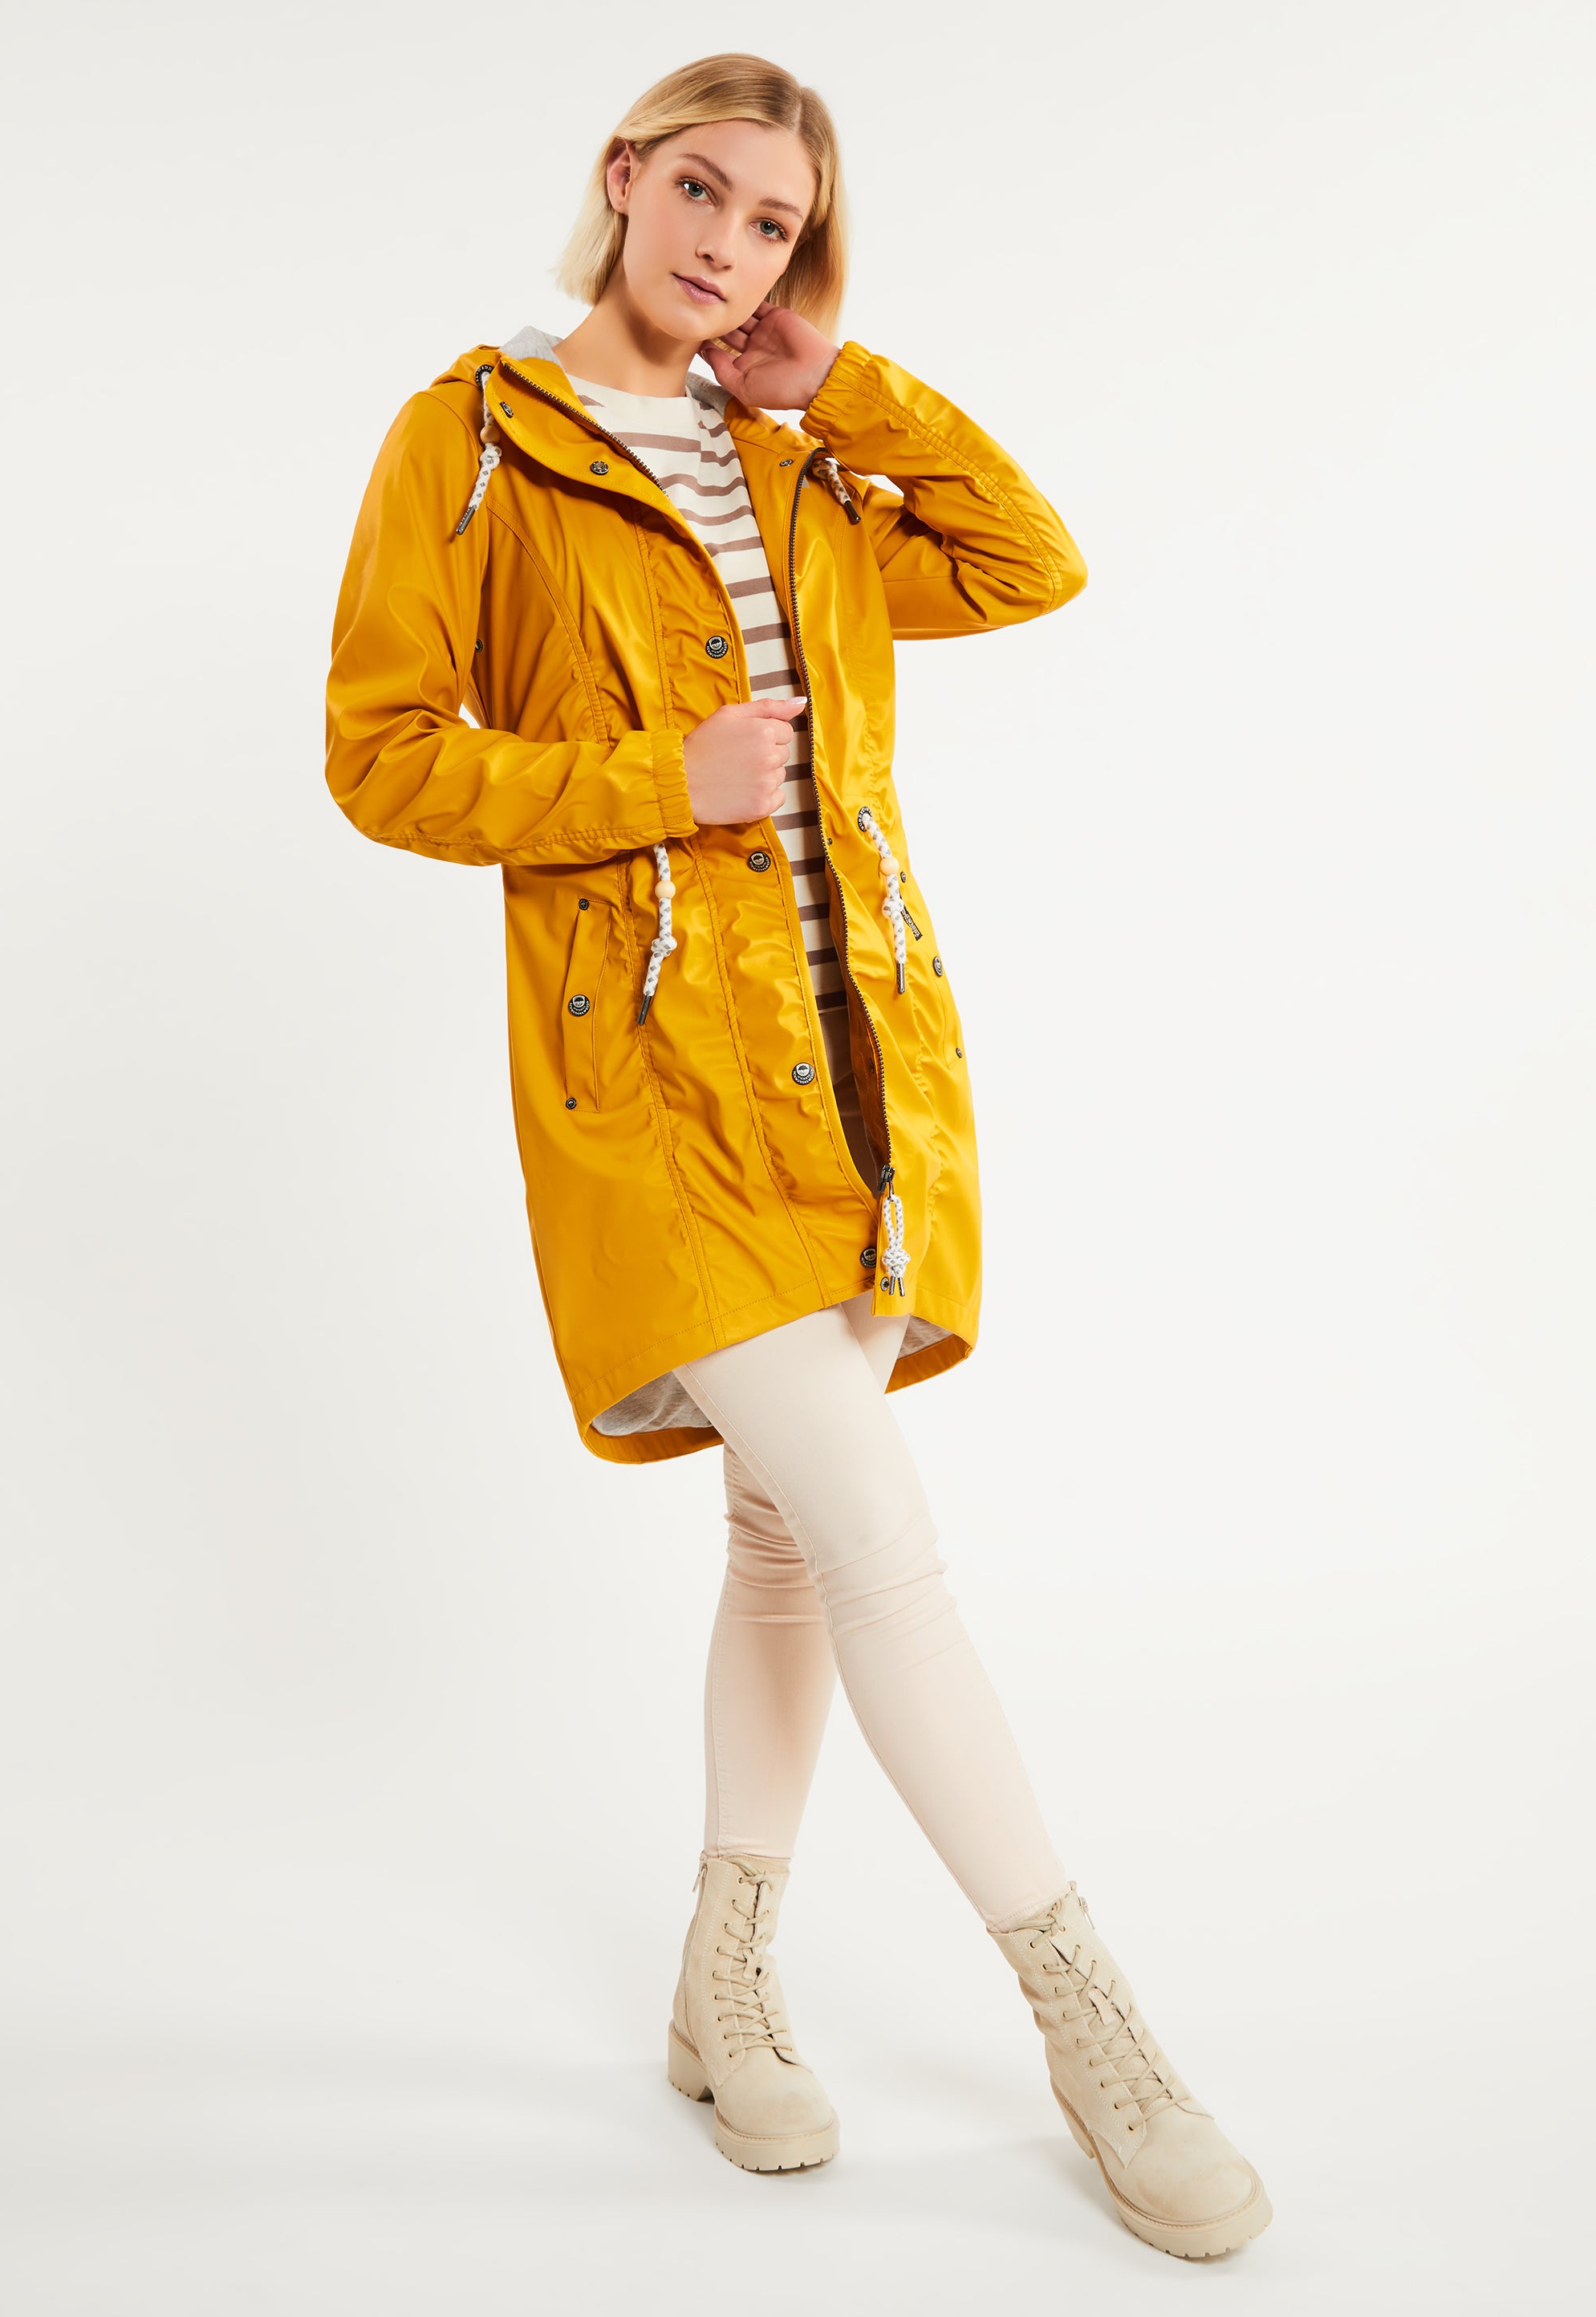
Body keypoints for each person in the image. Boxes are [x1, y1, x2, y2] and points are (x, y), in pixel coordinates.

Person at [324, 50, 1270, 2261]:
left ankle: (719, 1985)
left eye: (776, 224)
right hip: (651, 1092)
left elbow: (1029, 562)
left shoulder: (799, 449)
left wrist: (846, 384)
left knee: (780, 1543)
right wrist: (658, 780)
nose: (729, 245)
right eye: (703, 192)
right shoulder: (474, 438)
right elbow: (381, 755)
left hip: (853, 1077)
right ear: (622, 179)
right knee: (881, 1544)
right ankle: (1097, 2032)